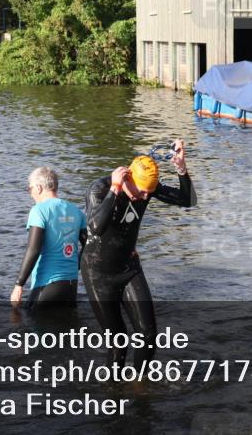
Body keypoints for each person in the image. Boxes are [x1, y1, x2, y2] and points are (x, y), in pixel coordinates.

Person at [83, 141, 196, 366]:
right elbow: (96, 226)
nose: (145, 197)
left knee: (148, 336)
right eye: (142, 191)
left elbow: (188, 200)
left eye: (150, 192)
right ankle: (113, 392)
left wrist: (181, 169)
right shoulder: (101, 189)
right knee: (118, 342)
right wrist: (115, 190)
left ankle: (139, 384)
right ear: (128, 178)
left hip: (128, 269)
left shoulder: (147, 189)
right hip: (99, 274)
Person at [10, 167, 88, 310]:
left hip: (47, 284)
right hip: (71, 286)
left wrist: (19, 285)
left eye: (30, 189)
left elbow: (33, 250)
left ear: (39, 188)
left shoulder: (39, 211)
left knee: (32, 327)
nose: (31, 194)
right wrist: (74, 266)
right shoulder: (76, 210)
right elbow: (89, 245)